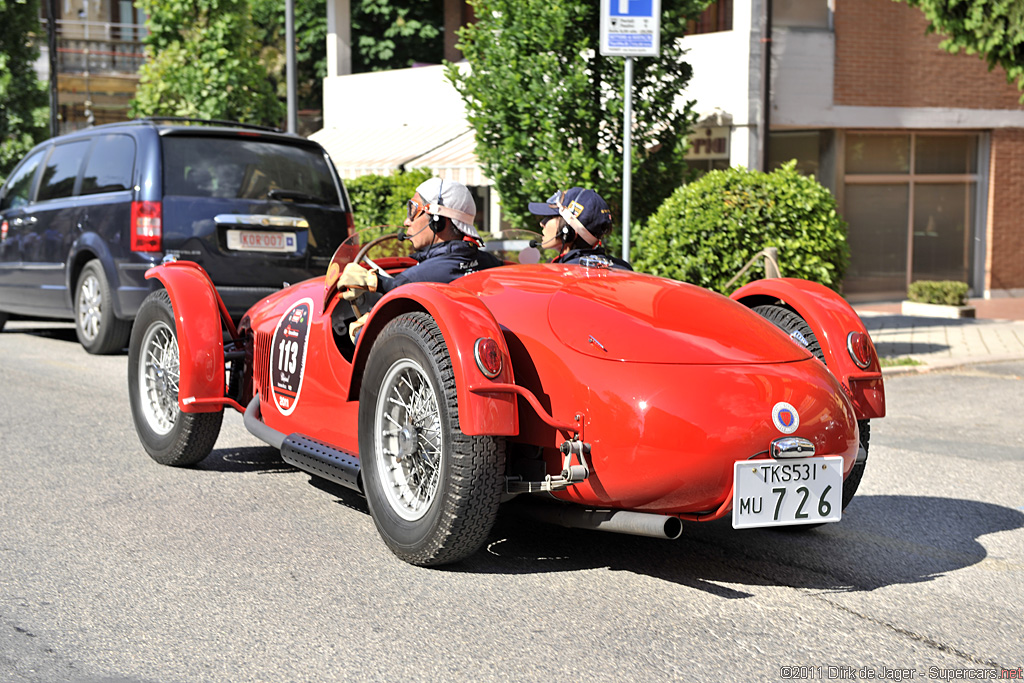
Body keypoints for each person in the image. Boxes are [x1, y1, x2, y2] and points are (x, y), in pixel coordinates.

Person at [336, 177, 503, 340]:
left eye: (413, 209)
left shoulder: (415, 279)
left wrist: (362, 331)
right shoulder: (492, 263)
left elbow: (399, 291)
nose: (407, 221)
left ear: (438, 221)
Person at [527, 187, 632, 270]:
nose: (542, 223)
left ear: (569, 230)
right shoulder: (623, 269)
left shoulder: (562, 274)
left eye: (549, 217)